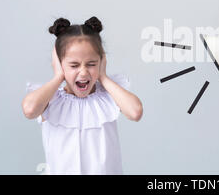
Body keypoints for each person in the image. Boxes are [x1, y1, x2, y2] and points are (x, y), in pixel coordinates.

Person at [22, 17, 143, 174]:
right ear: (59, 64)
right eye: (74, 65)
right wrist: (58, 76)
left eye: (91, 64)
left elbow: (135, 112)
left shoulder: (108, 95)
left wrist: (103, 77)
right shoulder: (52, 100)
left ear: (101, 62)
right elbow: (30, 110)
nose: (84, 72)